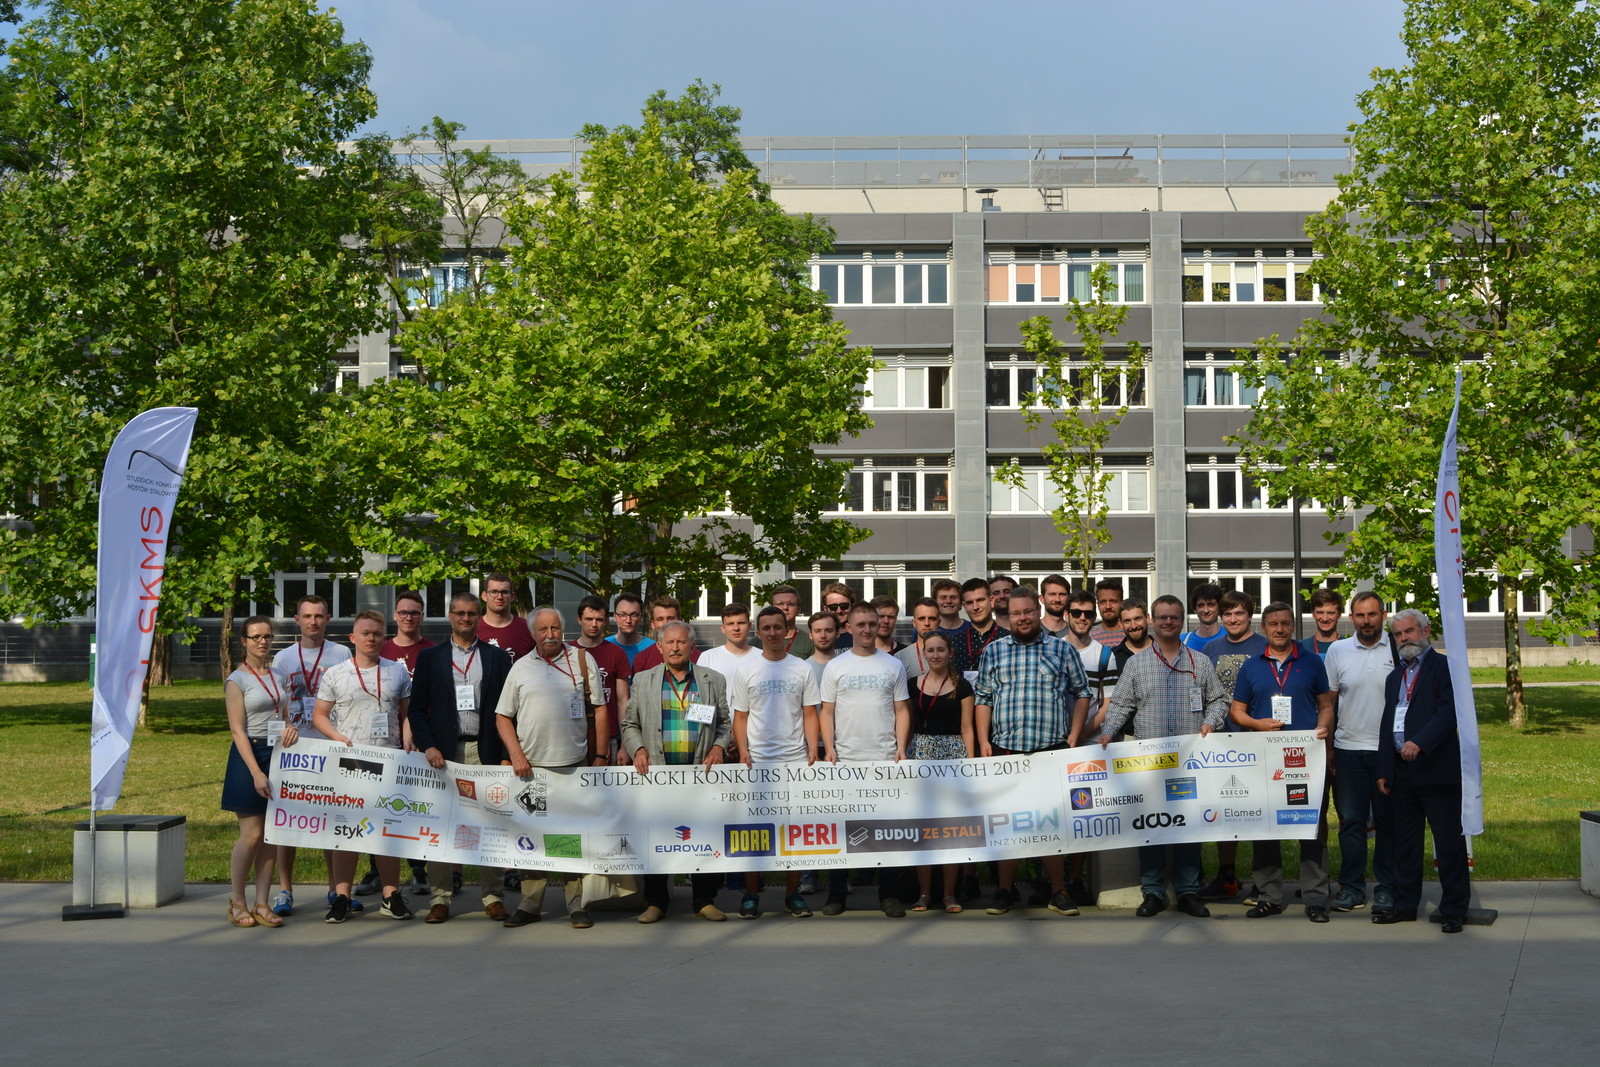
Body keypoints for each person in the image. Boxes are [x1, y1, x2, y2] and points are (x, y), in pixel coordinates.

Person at [1098, 595, 1229, 919]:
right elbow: (1121, 704)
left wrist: (1210, 722)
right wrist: (1108, 732)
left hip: (1189, 762)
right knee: (1151, 827)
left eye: (1173, 617)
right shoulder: (1137, 664)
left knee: (1188, 827)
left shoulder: (1200, 662)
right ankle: (1153, 892)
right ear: (1152, 621)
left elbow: (1219, 700)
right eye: (1162, 617)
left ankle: (1188, 892)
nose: (1168, 622)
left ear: (1182, 621)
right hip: (1150, 764)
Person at [973, 586, 1091, 917]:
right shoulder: (993, 651)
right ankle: (1004, 891)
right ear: (1007, 617)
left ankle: (1058, 891)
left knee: (1049, 824)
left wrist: (1075, 735)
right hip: (1005, 750)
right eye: (1015, 613)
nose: (1022, 618)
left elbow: (1082, 693)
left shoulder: (1062, 649)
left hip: (1050, 750)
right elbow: (983, 698)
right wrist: (983, 741)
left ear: (1037, 611)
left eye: (1027, 612)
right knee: (1007, 824)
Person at [495, 607, 607, 928]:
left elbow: (600, 709)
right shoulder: (520, 668)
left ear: (563, 628)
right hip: (532, 771)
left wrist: (600, 755)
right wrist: (516, 754)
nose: (550, 635)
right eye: (543, 629)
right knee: (532, 838)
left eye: (555, 628)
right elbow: (503, 716)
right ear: (532, 633)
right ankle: (530, 905)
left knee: (570, 838)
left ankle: (576, 905)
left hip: (573, 766)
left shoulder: (582, 660)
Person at [406, 591, 514, 924]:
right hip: (444, 753)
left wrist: (506, 754)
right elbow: (416, 710)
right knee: (441, 824)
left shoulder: (498, 658)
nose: (466, 618)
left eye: (471, 613)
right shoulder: (430, 658)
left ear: (479, 617)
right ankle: (441, 897)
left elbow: (509, 711)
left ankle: (493, 896)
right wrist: (428, 746)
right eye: (460, 613)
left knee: (491, 823)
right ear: (450, 616)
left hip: (485, 751)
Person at [1228, 601, 1335, 923]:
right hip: (1265, 759)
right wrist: (1256, 723)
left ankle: (1316, 898)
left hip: (1305, 759)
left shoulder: (1311, 661)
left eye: (1285, 623)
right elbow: (1237, 710)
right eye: (1273, 624)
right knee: (1266, 826)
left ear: (1293, 626)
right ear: (1263, 628)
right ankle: (1269, 897)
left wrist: (1323, 729)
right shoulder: (1252, 666)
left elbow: (1325, 704)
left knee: (1311, 826)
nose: (1279, 629)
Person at [306, 610, 415, 923]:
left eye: (377, 633)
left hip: (389, 761)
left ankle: (390, 895)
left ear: (384, 637)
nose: (371, 638)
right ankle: (342, 896)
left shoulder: (397, 671)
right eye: (365, 633)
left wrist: (408, 738)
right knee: (346, 830)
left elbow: (408, 713)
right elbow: (319, 715)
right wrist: (337, 738)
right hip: (349, 763)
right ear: (352, 637)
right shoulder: (335, 674)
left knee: (387, 830)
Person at [621, 619, 732, 924]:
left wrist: (718, 747)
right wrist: (638, 749)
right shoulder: (643, 680)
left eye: (681, 642)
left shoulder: (712, 680)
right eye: (669, 642)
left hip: (700, 775)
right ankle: (656, 902)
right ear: (659, 647)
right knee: (656, 837)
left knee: (703, 835)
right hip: (658, 775)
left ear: (692, 646)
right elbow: (630, 723)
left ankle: (704, 900)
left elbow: (724, 723)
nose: (675, 647)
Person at [1376, 609, 1471, 934]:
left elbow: (1449, 713)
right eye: (1398, 634)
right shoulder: (1394, 677)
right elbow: (1387, 723)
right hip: (1401, 771)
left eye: (1409, 631)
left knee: (1448, 843)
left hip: (1436, 768)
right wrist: (1384, 768)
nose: (1404, 638)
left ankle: (1454, 909)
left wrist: (1420, 742)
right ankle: (1405, 906)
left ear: (1425, 631)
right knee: (1406, 844)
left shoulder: (1445, 668)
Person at [819, 602, 913, 917]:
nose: (867, 629)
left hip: (885, 759)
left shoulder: (893, 665)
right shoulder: (836, 666)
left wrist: (901, 747)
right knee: (842, 829)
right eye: (860, 624)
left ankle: (888, 895)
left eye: (872, 623)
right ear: (849, 628)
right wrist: (829, 748)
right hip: (845, 760)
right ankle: (836, 894)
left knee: (886, 830)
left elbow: (901, 710)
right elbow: (826, 711)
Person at [730, 607, 821, 919]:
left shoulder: (802, 669)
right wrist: (743, 751)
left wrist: (813, 748)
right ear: (758, 632)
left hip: (794, 761)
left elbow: (810, 713)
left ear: (787, 631)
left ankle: (792, 895)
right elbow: (740, 716)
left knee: (793, 833)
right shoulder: (747, 670)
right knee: (755, 833)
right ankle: (751, 895)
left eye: (777, 627)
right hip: (757, 762)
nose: (772, 633)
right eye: (766, 628)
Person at [270, 594, 352, 917]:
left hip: (330, 745)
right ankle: (285, 889)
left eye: (319, 616)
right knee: (287, 821)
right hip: (295, 748)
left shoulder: (341, 653)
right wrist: (283, 729)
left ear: (328, 619)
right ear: (297, 620)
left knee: (331, 818)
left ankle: (335, 889)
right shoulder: (284, 658)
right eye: (307, 616)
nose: (313, 622)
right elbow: (276, 702)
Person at [1323, 591, 1397, 915]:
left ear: (1383, 615)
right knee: (1351, 823)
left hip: (1388, 752)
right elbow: (1328, 703)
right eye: (1360, 615)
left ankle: (1387, 888)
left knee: (1387, 823)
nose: (1367, 621)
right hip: (1348, 749)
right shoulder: (1337, 651)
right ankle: (1351, 888)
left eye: (1372, 614)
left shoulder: (1397, 648)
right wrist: (1329, 747)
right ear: (1351, 618)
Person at [1197, 589, 1268, 900]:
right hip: (1220, 742)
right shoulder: (1210, 649)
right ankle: (1227, 877)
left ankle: (1265, 881)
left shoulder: (1264, 646)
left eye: (1239, 613)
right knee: (1224, 811)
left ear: (1249, 615)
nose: (1233, 619)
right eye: (1228, 614)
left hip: (1256, 739)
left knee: (1259, 810)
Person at [222, 615, 293, 928]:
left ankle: (262, 902)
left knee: (270, 835)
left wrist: (290, 728)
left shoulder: (278, 675)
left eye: (267, 636)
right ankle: (237, 901)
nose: (263, 642)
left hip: (277, 754)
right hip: (249, 755)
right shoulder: (237, 680)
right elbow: (237, 730)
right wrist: (256, 772)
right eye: (256, 637)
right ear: (244, 641)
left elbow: (285, 715)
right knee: (251, 835)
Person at [907, 631, 974, 913]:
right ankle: (924, 894)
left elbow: (967, 728)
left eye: (940, 650)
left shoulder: (963, 686)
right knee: (924, 829)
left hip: (953, 758)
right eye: (930, 650)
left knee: (950, 830)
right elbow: (907, 722)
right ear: (923, 653)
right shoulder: (912, 684)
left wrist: (971, 765)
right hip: (920, 755)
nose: (935, 655)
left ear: (950, 653)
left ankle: (949, 895)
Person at [573, 594, 631, 765]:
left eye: (599, 619)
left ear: (606, 621)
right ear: (579, 619)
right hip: (574, 734)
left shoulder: (616, 653)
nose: (594, 624)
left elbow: (622, 701)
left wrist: (625, 744)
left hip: (608, 735)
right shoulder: (568, 651)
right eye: (589, 619)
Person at [627, 595, 702, 674]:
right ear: (652, 624)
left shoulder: (698, 657)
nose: (665, 623)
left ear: (680, 621)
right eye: (660, 619)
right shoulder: (642, 659)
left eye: (670, 618)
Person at [478, 572, 534, 662]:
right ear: (484, 596)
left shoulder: (528, 628)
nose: (499, 597)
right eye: (494, 592)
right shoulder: (473, 628)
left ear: (512, 596)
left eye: (504, 592)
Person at [380, 590, 435, 675]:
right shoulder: (381, 651)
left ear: (422, 616)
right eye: (403, 613)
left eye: (414, 613)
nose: (409, 618)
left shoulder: (435, 652)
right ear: (395, 615)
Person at [958, 577, 1007, 669]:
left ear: (991, 601)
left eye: (980, 600)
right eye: (970, 603)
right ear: (964, 606)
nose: (975, 607)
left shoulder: (1008, 639)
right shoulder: (954, 642)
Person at [894, 596, 941, 683]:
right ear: (914, 623)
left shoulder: (948, 654)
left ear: (939, 622)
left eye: (932, 618)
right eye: (922, 618)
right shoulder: (900, 657)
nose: (927, 623)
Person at [605, 592, 654, 669]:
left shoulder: (653, 648)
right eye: (622, 615)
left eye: (633, 615)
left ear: (641, 617)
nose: (628, 620)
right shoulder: (604, 647)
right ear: (614, 616)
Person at [766, 583, 814, 659]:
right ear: (771, 608)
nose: (785, 607)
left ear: (798, 610)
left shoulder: (809, 641)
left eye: (790, 604)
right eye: (780, 603)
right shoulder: (758, 641)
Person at [1110, 599, 1152, 671]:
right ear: (1120, 623)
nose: (1133, 626)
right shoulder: (1112, 657)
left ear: (1147, 618)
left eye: (1138, 619)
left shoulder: (1164, 652)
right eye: (1127, 621)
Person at [1182, 582, 1224, 651]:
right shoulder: (1182, 641)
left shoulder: (1231, 637)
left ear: (1219, 607)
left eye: (1211, 605)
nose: (1206, 610)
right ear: (1195, 609)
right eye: (1201, 605)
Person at [1302, 588, 1343, 656]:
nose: (1325, 619)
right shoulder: (1301, 648)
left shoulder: (1349, 648)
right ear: (1313, 613)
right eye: (1320, 613)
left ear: (1339, 614)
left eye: (1330, 613)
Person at [1089, 577, 1125, 647]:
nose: (1108, 606)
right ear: (1098, 605)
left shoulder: (1131, 633)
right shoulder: (1088, 637)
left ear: (1122, 603)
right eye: (1103, 602)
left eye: (1113, 601)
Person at [820, 583, 857, 650]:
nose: (839, 611)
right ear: (826, 609)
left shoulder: (863, 634)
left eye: (844, 606)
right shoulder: (818, 637)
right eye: (833, 607)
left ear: (852, 606)